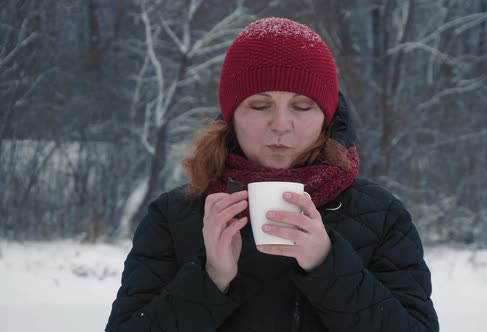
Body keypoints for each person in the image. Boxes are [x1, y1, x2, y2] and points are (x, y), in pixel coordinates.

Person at [106, 17, 438, 332]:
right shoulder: (174, 215)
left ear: (326, 117)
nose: (280, 125)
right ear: (232, 115)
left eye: (302, 106)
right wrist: (211, 278)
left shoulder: (380, 216)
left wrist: (328, 264)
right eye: (260, 106)